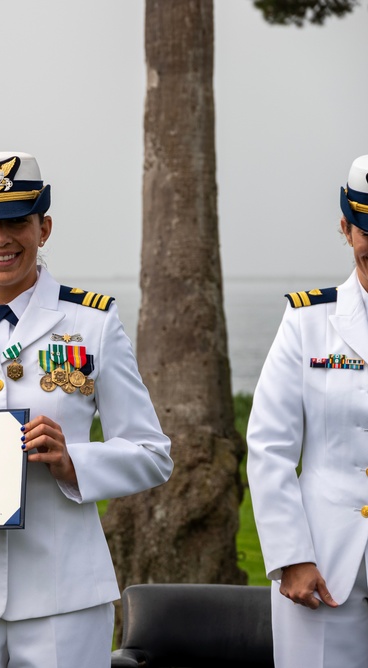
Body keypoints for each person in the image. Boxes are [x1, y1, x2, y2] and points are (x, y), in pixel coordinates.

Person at [0, 150, 173, 667]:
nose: (1, 238)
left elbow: (153, 453)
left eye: (17, 221)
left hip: (63, 593)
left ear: (43, 227)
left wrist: (74, 462)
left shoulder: (92, 323)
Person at [246, 154, 368, 668]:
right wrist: (290, 555)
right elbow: (269, 445)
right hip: (320, 565)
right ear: (346, 227)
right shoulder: (307, 321)